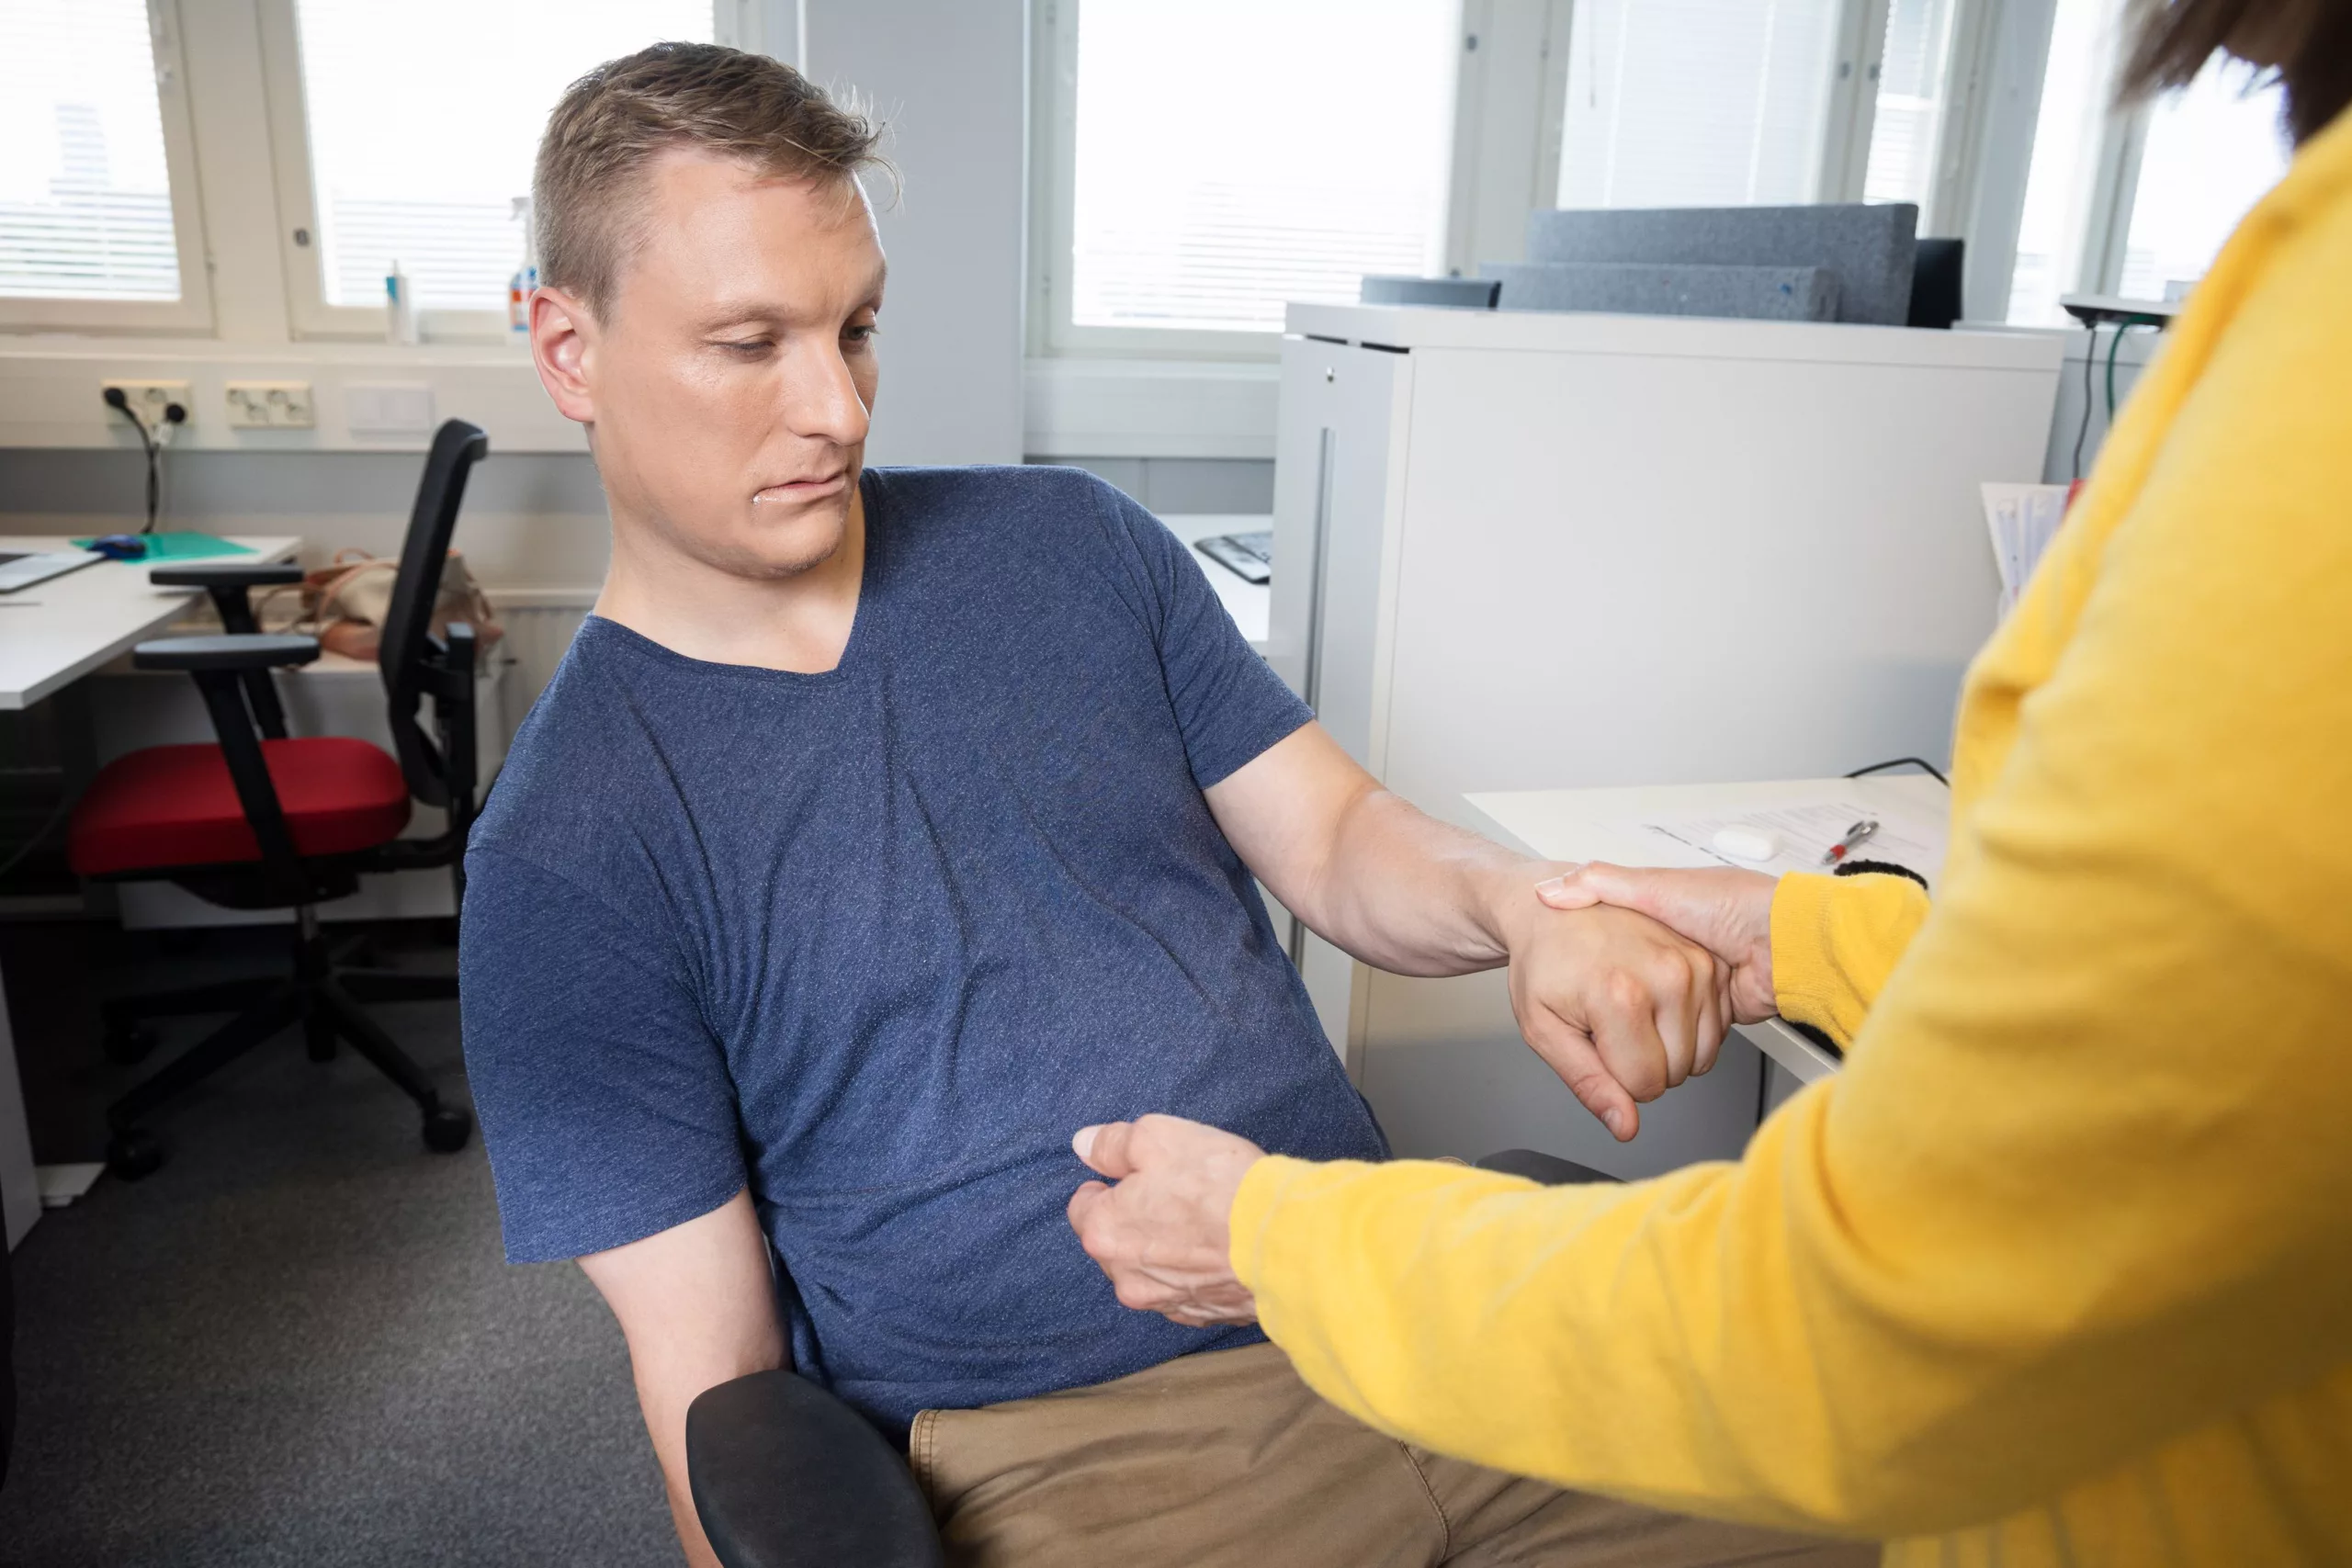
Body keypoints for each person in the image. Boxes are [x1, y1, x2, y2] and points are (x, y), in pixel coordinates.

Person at [459, 42, 1867, 1568]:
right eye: (750, 343)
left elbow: (1336, 841)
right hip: (1084, 1456)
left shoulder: (1071, 546)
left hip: (1398, 1302)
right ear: (569, 348)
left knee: (1941, 1502)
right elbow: (720, 1404)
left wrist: (1526, 904)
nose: (839, 409)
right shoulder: (565, 854)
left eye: (857, 329)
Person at [1068, 2, 2352, 1563]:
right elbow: (2222, 1030)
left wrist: (1278, 1237)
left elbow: (1862, 1321)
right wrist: (1804, 938)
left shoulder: (2318, 372)